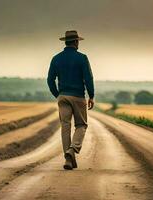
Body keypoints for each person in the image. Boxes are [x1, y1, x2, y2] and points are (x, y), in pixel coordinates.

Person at [47, 30, 95, 170]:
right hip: (78, 96)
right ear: (76, 42)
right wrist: (91, 96)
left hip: (63, 96)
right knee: (81, 125)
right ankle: (72, 150)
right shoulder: (82, 58)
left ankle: (67, 159)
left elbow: (50, 80)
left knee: (65, 126)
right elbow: (88, 78)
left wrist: (58, 94)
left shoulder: (56, 58)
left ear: (66, 42)